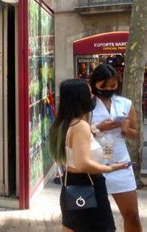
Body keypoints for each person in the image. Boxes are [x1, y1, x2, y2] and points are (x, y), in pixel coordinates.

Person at [49, 78, 129, 232]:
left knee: (73, 225)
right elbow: (83, 163)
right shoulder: (80, 126)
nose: (93, 96)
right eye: (90, 93)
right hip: (87, 183)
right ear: (80, 98)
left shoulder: (63, 124)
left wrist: (97, 129)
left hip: (72, 182)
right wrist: (112, 168)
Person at [89, 64, 142, 232]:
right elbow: (76, 131)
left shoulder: (125, 104)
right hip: (94, 163)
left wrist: (127, 130)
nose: (109, 89)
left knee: (132, 215)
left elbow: (135, 134)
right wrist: (99, 128)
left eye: (113, 86)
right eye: (104, 86)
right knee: (91, 219)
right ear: (95, 83)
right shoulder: (87, 105)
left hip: (119, 161)